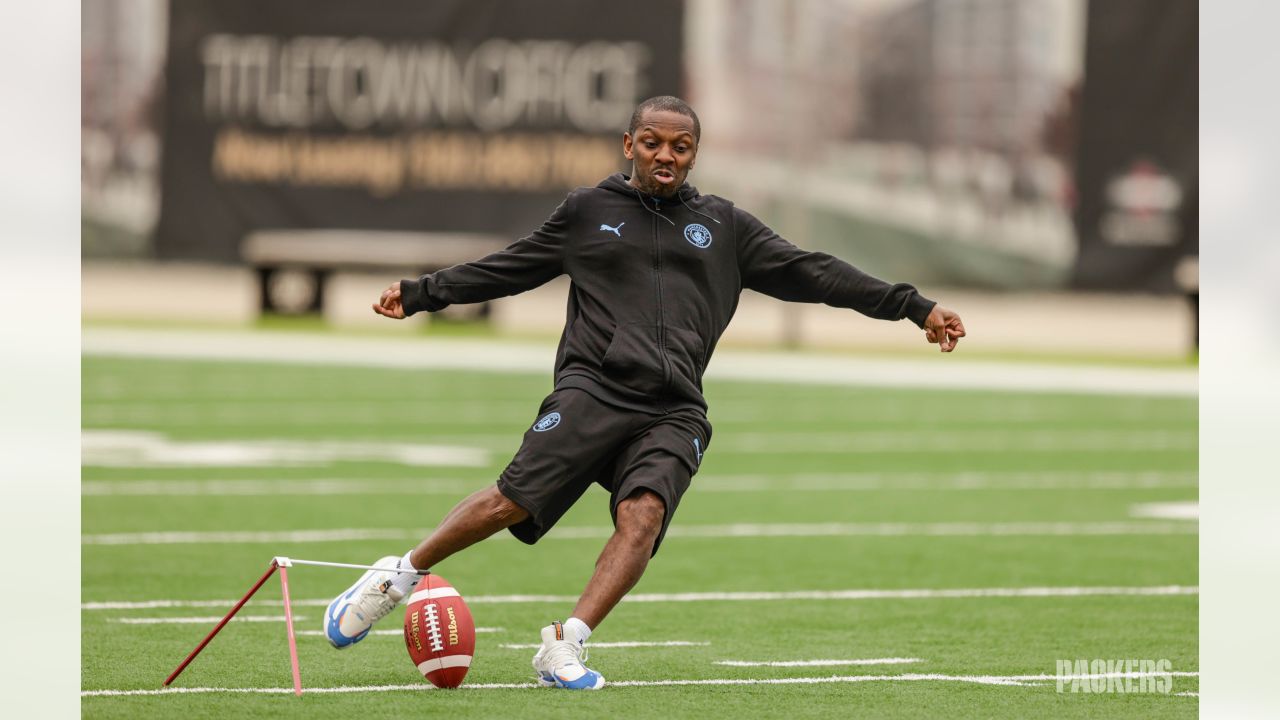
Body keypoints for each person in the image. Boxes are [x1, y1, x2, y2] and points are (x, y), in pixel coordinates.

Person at [323, 96, 966, 690]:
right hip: (593, 388)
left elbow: (814, 271)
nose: (667, 155)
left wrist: (914, 306)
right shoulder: (587, 212)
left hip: (675, 406)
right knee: (508, 504)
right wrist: (423, 293)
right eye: (653, 142)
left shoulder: (724, 225)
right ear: (628, 144)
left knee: (644, 516)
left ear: (694, 153)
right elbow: (510, 267)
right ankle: (397, 576)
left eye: (681, 146)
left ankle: (565, 644)